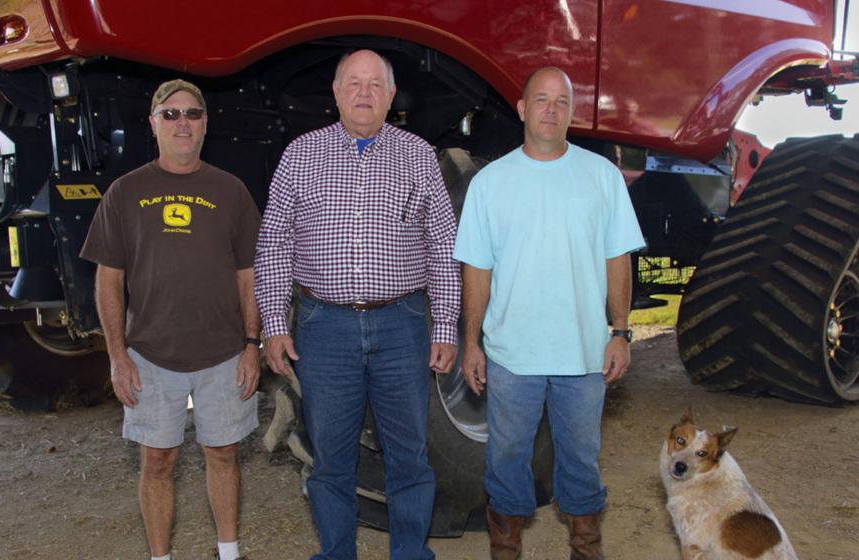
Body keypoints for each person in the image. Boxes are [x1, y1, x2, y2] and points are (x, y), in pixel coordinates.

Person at [254, 50, 461, 560]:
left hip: (403, 324)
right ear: (336, 92)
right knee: (330, 459)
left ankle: (411, 552)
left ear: (392, 96)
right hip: (325, 328)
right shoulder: (301, 155)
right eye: (354, 83)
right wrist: (275, 324)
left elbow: (442, 244)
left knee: (409, 455)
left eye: (376, 84)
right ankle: (336, 552)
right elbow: (274, 244)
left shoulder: (417, 155)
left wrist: (446, 327)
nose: (364, 93)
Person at [453, 67, 644, 560]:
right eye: (541, 100)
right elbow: (477, 271)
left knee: (581, 460)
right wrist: (471, 343)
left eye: (562, 101)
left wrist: (620, 332)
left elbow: (617, 258)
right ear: (521, 109)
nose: (551, 110)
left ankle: (585, 548)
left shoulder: (600, 176)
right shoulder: (491, 183)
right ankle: (506, 550)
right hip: (511, 354)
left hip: (582, 355)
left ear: (572, 112)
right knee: (507, 459)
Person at [81, 79, 260, 560]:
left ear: (206, 124)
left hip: (223, 353)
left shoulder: (231, 191)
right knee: (157, 461)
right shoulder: (125, 192)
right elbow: (108, 281)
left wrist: (251, 345)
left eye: (193, 114)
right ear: (153, 123)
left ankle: (228, 552)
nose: (183, 123)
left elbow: (249, 275)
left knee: (223, 454)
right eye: (171, 114)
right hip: (150, 355)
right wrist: (117, 357)